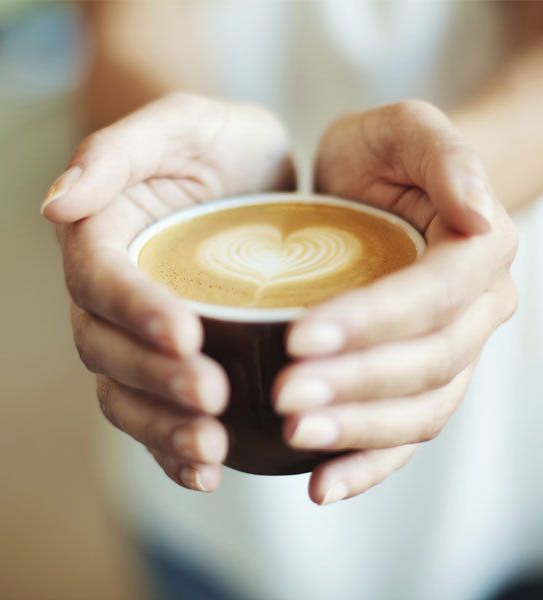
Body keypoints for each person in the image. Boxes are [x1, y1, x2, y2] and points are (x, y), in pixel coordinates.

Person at [43, 2, 543, 599]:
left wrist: (462, 178)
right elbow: (126, 34)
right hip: (198, 448)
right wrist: (154, 139)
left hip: (495, 425)